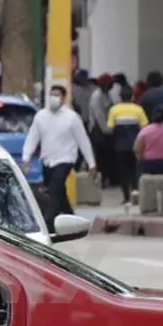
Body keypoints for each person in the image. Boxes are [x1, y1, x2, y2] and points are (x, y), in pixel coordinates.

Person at [20, 84, 98, 228]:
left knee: (55, 189)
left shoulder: (72, 118)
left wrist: (91, 164)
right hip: (47, 160)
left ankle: (49, 223)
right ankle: (71, 217)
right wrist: (26, 158)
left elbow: (83, 141)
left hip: (66, 159)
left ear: (63, 98)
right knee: (59, 191)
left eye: (57, 95)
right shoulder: (41, 116)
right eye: (52, 95)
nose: (53, 98)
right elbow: (32, 138)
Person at [105, 86, 148, 205]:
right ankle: (136, 191)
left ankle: (126, 197)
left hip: (120, 145)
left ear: (120, 97)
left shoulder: (114, 110)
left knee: (123, 170)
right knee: (135, 168)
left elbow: (109, 128)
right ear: (132, 96)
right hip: (135, 144)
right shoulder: (138, 109)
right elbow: (144, 127)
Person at [87, 73, 114, 186]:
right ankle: (100, 180)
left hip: (106, 128)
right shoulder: (97, 96)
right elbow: (99, 115)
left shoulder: (106, 94)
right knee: (100, 156)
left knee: (107, 156)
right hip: (99, 129)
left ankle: (106, 178)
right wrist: (106, 130)